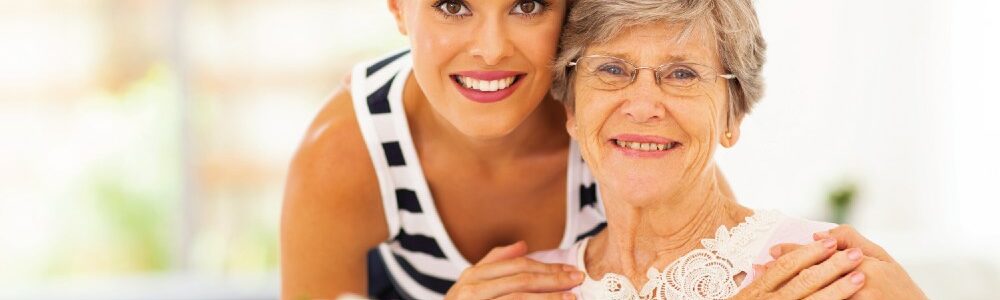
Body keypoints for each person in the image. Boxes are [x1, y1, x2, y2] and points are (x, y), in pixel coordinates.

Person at [281, 0, 924, 299]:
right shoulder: (347, 151)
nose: (491, 49)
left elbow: (701, 223)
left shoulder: (812, 272)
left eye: (682, 74)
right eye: (613, 72)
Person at [527, 0, 927, 299]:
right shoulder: (525, 285)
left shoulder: (821, 271)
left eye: (682, 73)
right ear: (572, 111)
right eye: (612, 69)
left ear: (732, 117)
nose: (644, 106)